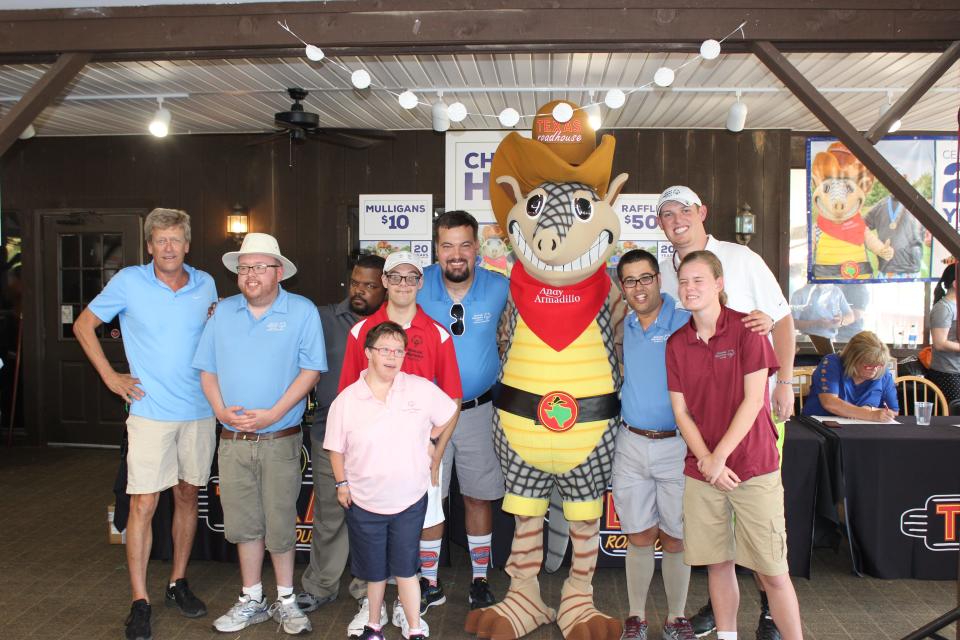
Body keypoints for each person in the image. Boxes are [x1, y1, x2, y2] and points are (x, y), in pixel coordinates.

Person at [656, 186, 795, 639]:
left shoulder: (743, 275)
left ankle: (775, 622)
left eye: (683, 211)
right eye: (666, 214)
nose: (676, 220)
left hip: (752, 450)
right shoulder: (677, 333)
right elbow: (682, 410)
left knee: (771, 566)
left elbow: (782, 321)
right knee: (719, 561)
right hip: (704, 464)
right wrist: (707, 461)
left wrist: (787, 384)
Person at [73, 208, 217, 640]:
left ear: (187, 244)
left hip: (199, 411)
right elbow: (84, 325)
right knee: (143, 506)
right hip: (150, 414)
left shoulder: (206, 283)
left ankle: (177, 582)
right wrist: (110, 376)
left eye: (176, 239)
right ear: (149, 245)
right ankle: (140, 600)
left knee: (189, 495)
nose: (169, 247)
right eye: (161, 240)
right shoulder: (129, 282)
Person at [192, 233, 327, 635]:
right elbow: (207, 369)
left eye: (259, 267)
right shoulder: (223, 314)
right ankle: (252, 597)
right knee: (243, 525)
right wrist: (218, 410)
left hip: (280, 439)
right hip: (232, 442)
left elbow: (311, 371)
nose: (250, 275)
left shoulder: (301, 311)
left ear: (278, 272)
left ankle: (286, 599)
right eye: (244, 267)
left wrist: (272, 413)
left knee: (281, 524)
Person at [338, 250, 462, 635]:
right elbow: (346, 396)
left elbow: (452, 399)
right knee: (370, 532)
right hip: (370, 461)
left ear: (421, 283)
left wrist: (436, 454)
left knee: (419, 526)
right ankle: (370, 606)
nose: (404, 285)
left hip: (417, 458)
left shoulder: (438, 332)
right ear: (385, 282)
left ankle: (414, 603)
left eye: (412, 278)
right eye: (396, 277)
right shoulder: (362, 332)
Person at [418, 210, 509, 612]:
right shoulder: (416, 284)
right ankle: (428, 581)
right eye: (447, 246)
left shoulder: (499, 286)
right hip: (426, 414)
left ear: (478, 249)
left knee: (478, 497)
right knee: (430, 496)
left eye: (464, 245)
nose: (456, 255)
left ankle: (479, 579)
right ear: (436, 250)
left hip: (477, 411)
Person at [298, 254, 387, 614]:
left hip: (379, 441)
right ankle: (321, 585)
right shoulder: (322, 319)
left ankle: (368, 588)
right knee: (330, 515)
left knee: (371, 517)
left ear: (384, 288)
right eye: (355, 283)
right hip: (329, 436)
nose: (359, 291)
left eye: (369, 285)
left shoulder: (391, 326)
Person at [613, 249, 694, 640]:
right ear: (622, 288)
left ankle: (677, 618)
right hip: (630, 442)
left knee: (677, 536)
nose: (639, 287)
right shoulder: (625, 324)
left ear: (659, 279)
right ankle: (636, 617)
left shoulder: (684, 319)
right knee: (640, 534)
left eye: (646, 278)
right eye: (630, 281)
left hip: (678, 445)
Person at [801, 331, 899, 420]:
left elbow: (894, 411)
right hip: (820, 426)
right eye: (868, 366)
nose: (875, 369)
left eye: (879, 365)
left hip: (862, 430)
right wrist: (870, 414)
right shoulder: (832, 362)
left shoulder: (883, 372)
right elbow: (830, 403)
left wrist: (871, 409)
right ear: (853, 359)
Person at [864, 194, 927, 279]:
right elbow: (860, 227)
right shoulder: (882, 205)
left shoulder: (917, 204)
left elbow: (926, 234)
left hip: (912, 270)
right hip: (887, 269)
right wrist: (877, 247)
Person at [928, 263, 960, 404]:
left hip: (956, 370)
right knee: (953, 416)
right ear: (955, 283)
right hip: (947, 373)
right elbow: (940, 343)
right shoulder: (943, 308)